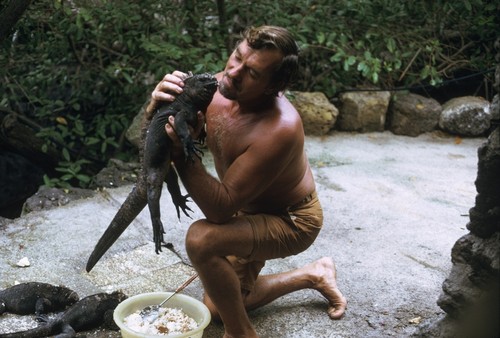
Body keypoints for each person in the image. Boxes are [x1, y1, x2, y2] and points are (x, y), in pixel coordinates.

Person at [146, 25, 347, 338]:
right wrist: (160, 106)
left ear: (273, 86)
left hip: (291, 218)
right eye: (236, 57)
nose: (233, 73)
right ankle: (313, 274)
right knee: (216, 307)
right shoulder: (218, 87)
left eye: (252, 72)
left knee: (201, 240)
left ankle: (241, 333)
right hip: (246, 208)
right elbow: (157, 133)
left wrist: (182, 154)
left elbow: (220, 210)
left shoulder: (279, 128)